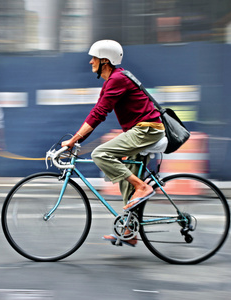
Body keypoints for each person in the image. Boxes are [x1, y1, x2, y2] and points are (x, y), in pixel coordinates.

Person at [61, 40, 165, 246]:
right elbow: (98, 112)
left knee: (100, 154)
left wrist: (74, 140)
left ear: (105, 61)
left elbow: (99, 113)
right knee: (126, 182)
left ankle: (143, 187)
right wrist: (78, 138)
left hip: (147, 130)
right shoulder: (113, 81)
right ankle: (129, 231)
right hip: (141, 130)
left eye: (94, 58)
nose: (91, 62)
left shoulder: (117, 79)